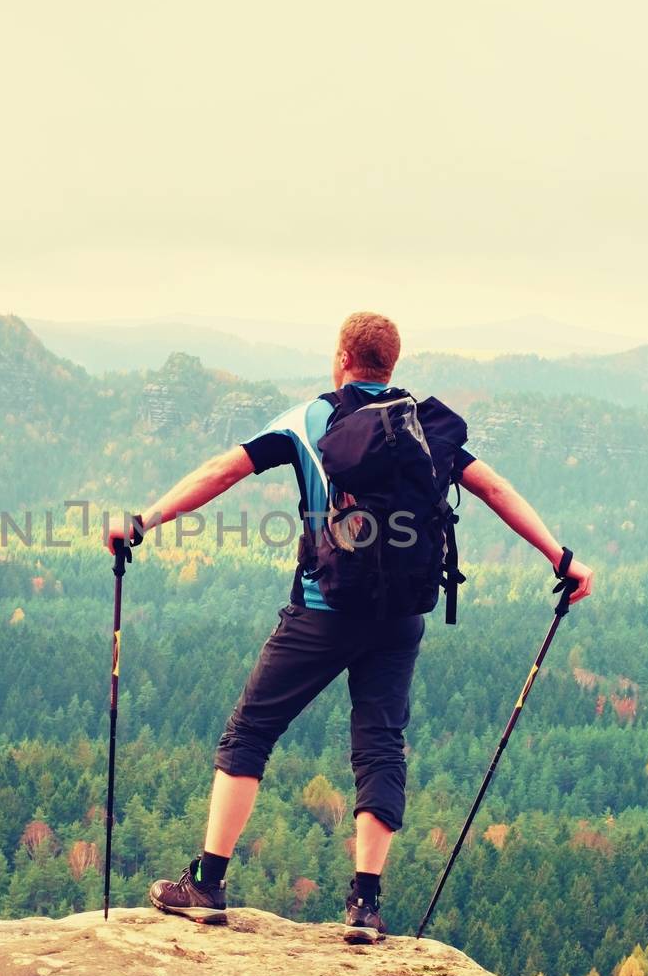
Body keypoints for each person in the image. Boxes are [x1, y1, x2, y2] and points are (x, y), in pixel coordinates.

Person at [106, 311, 593, 943]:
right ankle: (365, 904)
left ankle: (208, 881)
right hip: (399, 620)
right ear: (393, 364)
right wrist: (560, 556)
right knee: (381, 745)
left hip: (322, 610)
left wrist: (144, 521)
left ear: (341, 358)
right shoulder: (427, 428)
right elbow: (495, 490)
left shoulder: (307, 421)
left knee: (251, 730)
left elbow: (221, 472)